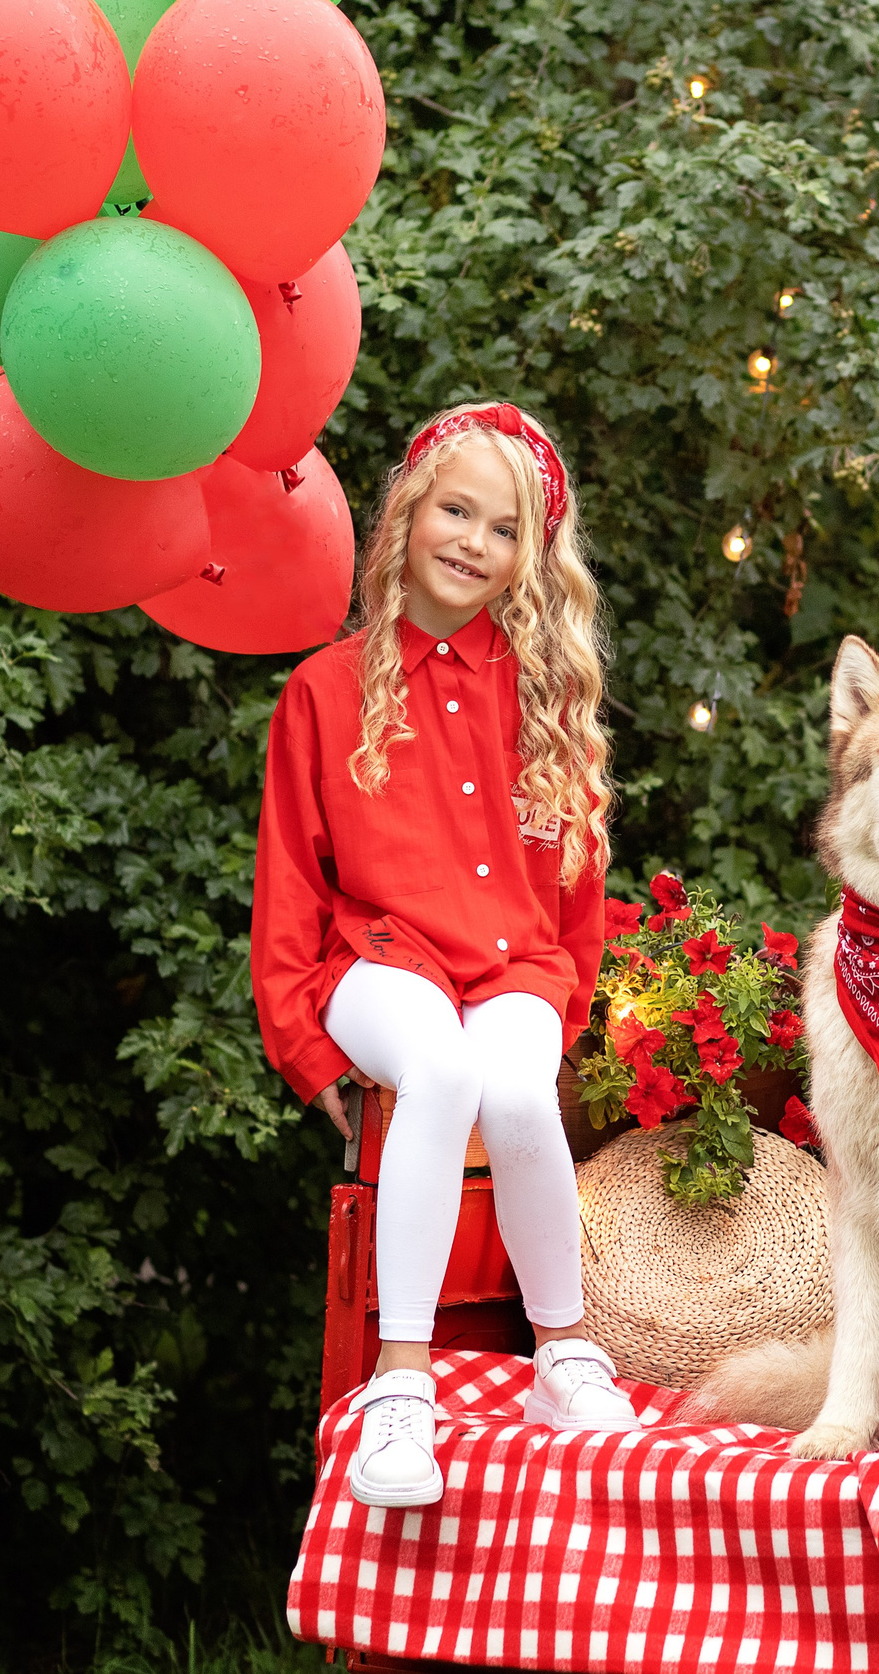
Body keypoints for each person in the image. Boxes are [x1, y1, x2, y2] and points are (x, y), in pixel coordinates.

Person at [252, 400, 634, 1510]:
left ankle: (561, 1355)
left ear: (531, 553)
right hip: (378, 962)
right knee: (443, 1067)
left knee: (515, 1085)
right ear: (408, 515)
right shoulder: (328, 688)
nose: (472, 540)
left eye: (503, 527)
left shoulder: (546, 695)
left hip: (513, 968)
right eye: (454, 510)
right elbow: (289, 888)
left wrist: (560, 1011)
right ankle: (401, 1384)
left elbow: (577, 896)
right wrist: (309, 1055)